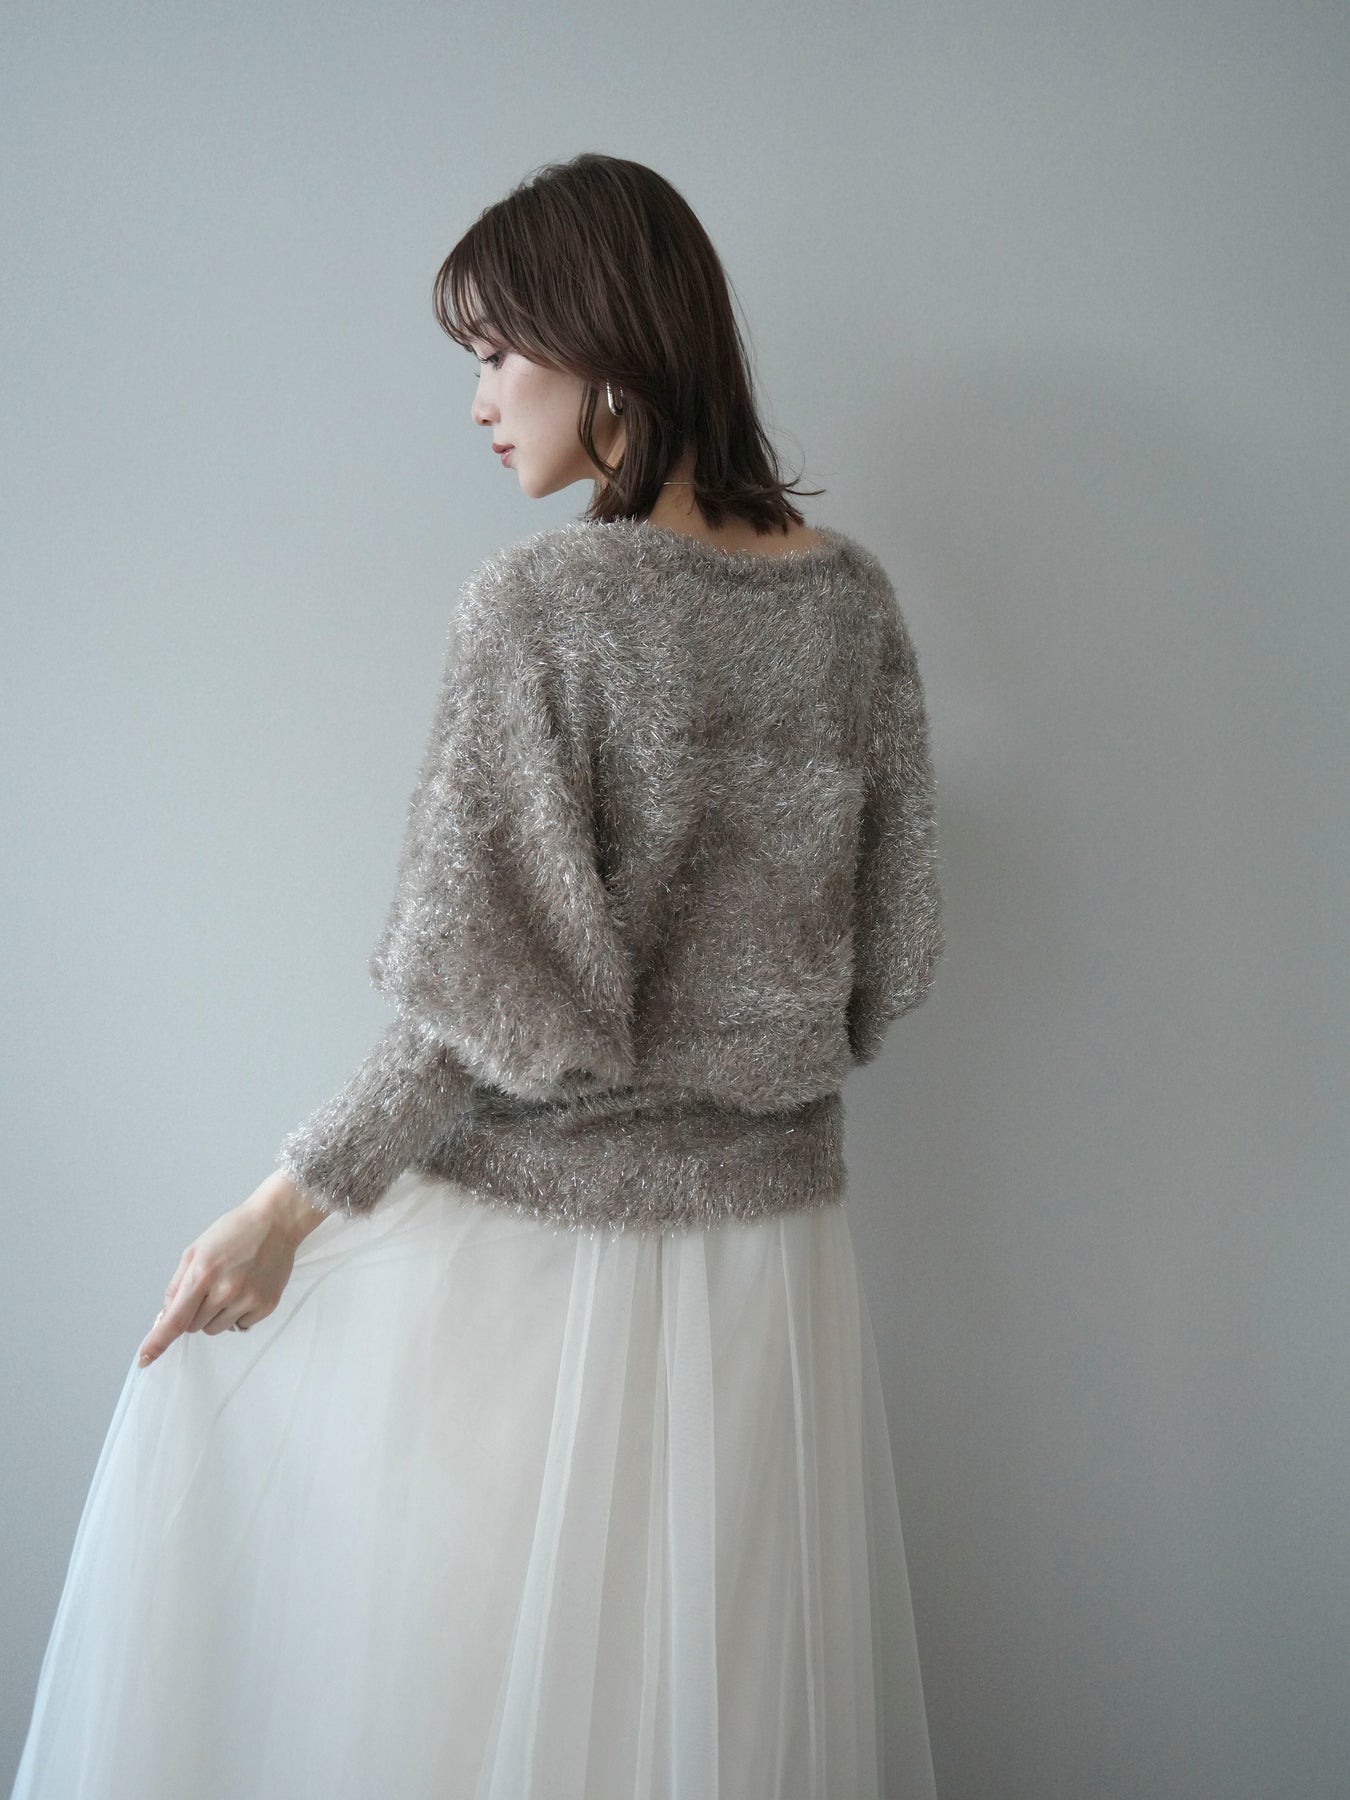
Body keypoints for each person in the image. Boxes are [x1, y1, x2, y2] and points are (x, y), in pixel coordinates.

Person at [9, 152, 944, 1799]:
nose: (479, 402)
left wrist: (283, 1207)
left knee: (469, 1698)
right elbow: (895, 958)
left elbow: (477, 997)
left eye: (498, 354)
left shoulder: (545, 603)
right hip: (775, 1263)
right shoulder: (850, 605)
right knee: (705, 1718)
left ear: (607, 345)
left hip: (556, 1264)